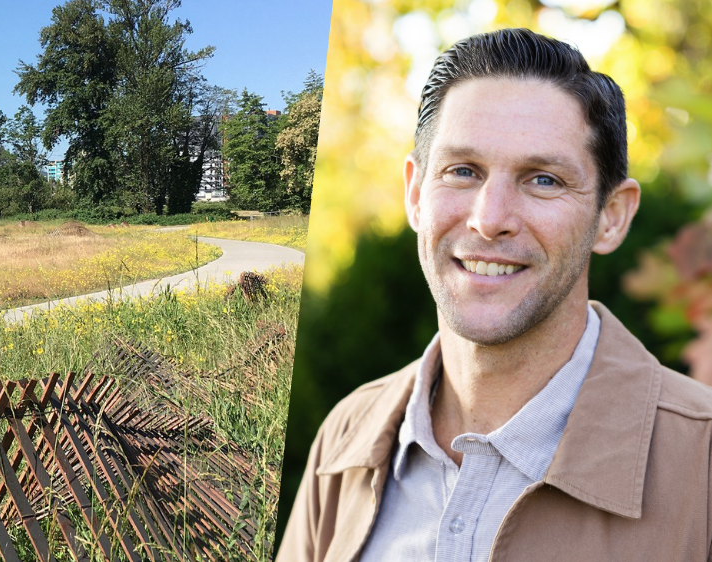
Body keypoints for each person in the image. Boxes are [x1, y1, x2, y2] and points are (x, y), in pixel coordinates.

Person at [277, 28, 712, 561]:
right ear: (416, 194)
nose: (490, 219)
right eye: (463, 171)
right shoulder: (347, 434)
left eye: (543, 180)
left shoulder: (702, 462)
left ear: (611, 217)